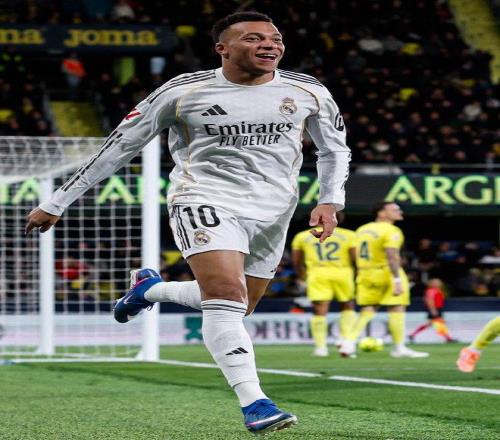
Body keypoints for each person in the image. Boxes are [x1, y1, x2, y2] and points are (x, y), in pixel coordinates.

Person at [25, 12, 350, 436]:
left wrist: (330, 200)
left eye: (275, 39)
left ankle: (150, 290)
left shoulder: (308, 90)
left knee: (241, 306)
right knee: (226, 297)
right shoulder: (183, 92)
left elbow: (334, 149)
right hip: (203, 198)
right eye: (254, 39)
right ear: (223, 48)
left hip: (275, 210)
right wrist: (59, 200)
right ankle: (255, 402)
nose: (270, 45)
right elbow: (120, 145)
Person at [338, 202, 429, 358]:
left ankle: (348, 342)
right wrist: (397, 279)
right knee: (397, 307)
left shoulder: (362, 229)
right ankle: (399, 348)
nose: (399, 211)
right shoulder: (391, 230)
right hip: (386, 272)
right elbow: (392, 255)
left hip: (365, 272)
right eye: (394, 209)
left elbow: (354, 254)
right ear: (381, 213)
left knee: (368, 309)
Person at [291, 212, 357, 357]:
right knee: (347, 305)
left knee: (319, 310)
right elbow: (355, 259)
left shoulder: (302, 236)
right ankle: (345, 341)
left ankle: (321, 348)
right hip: (343, 273)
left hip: (317, 273)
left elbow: (296, 261)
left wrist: (302, 276)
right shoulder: (349, 235)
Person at [409, 278, 455, 343]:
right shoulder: (431, 291)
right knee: (440, 324)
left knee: (432, 324)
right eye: (436, 282)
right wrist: (433, 310)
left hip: (437, 308)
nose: (439, 284)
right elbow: (429, 300)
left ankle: (412, 335)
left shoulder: (436, 290)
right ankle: (448, 338)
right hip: (435, 309)